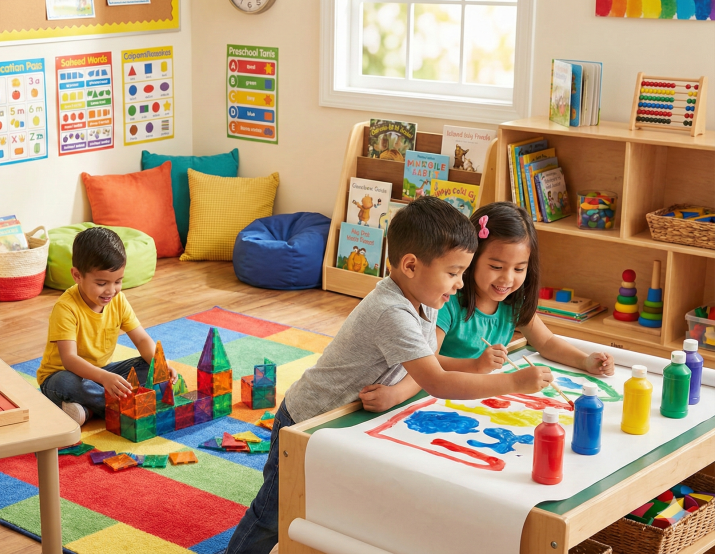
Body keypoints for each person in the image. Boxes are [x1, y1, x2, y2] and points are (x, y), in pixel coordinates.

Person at [224, 197, 554, 554]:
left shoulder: (427, 298)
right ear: (410, 265)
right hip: (308, 420)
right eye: (453, 273)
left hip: (344, 422)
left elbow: (429, 360)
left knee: (328, 511)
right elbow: (436, 381)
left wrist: (473, 366)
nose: (460, 284)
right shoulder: (391, 312)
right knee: (273, 514)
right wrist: (514, 382)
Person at [370, 201, 615, 412]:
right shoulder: (445, 299)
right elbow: (429, 366)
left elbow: (547, 342)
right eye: (496, 267)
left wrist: (584, 361)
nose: (507, 279)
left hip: (476, 398)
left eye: (519, 268)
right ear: (471, 259)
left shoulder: (513, 301)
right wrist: (476, 366)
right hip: (439, 397)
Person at [38, 226, 176, 425]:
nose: (111, 291)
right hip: (62, 377)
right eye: (102, 283)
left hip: (101, 373)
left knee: (149, 366)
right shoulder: (66, 308)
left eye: (118, 281)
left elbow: (141, 339)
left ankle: (89, 409)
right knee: (67, 382)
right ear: (77, 275)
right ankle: (122, 405)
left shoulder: (118, 300)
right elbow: (69, 360)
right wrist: (104, 378)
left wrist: (161, 365)